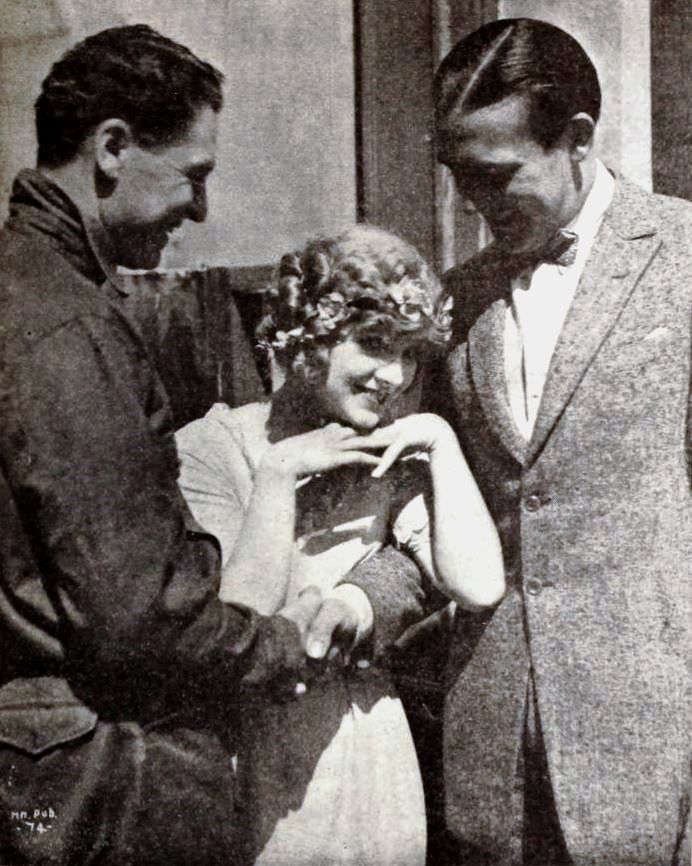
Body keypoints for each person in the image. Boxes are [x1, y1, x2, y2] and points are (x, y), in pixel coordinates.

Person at [308, 18, 691, 866]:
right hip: (494, 765)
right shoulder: (457, 300)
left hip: (658, 758)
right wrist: (360, 600)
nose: (470, 203)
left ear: (578, 139)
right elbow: (439, 519)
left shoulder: (684, 262)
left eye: (495, 174)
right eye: (458, 176)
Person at [0, 25, 322, 866]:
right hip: (105, 780)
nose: (201, 210)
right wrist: (280, 645)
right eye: (194, 174)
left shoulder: (25, 292)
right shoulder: (65, 327)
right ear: (112, 147)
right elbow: (138, 616)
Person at [175, 224, 505, 866]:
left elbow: (479, 584)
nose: (395, 375)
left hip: (368, 746)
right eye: (375, 344)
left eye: (410, 353)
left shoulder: (388, 456)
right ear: (308, 340)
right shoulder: (212, 449)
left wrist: (440, 442)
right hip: (252, 750)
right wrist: (279, 474)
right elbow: (240, 618)